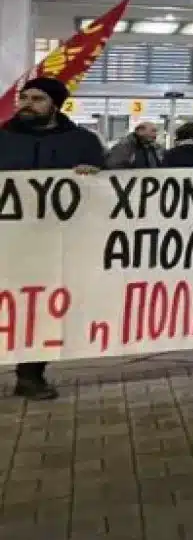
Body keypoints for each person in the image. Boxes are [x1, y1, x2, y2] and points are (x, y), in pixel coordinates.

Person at [0, 77, 105, 400]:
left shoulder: (82, 141)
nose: (27, 104)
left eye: (38, 98)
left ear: (55, 105)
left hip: (52, 243)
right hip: (6, 239)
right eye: (24, 97)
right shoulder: (2, 137)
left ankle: (30, 375)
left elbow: (105, 189)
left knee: (38, 309)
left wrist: (94, 174)